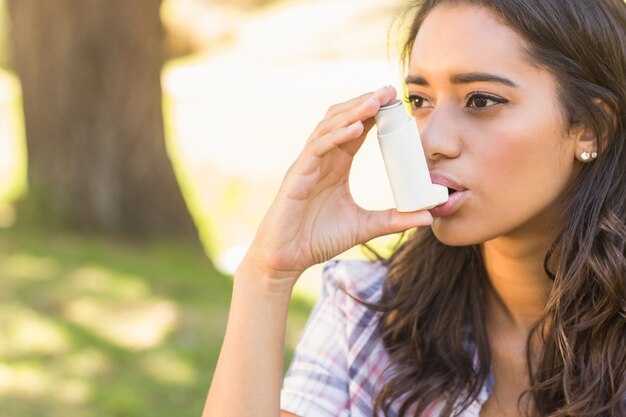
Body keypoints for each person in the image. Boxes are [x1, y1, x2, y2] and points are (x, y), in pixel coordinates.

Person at [203, 0, 626, 415]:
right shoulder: (369, 314)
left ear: (591, 128)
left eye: (480, 100)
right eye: (419, 101)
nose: (429, 142)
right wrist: (267, 275)